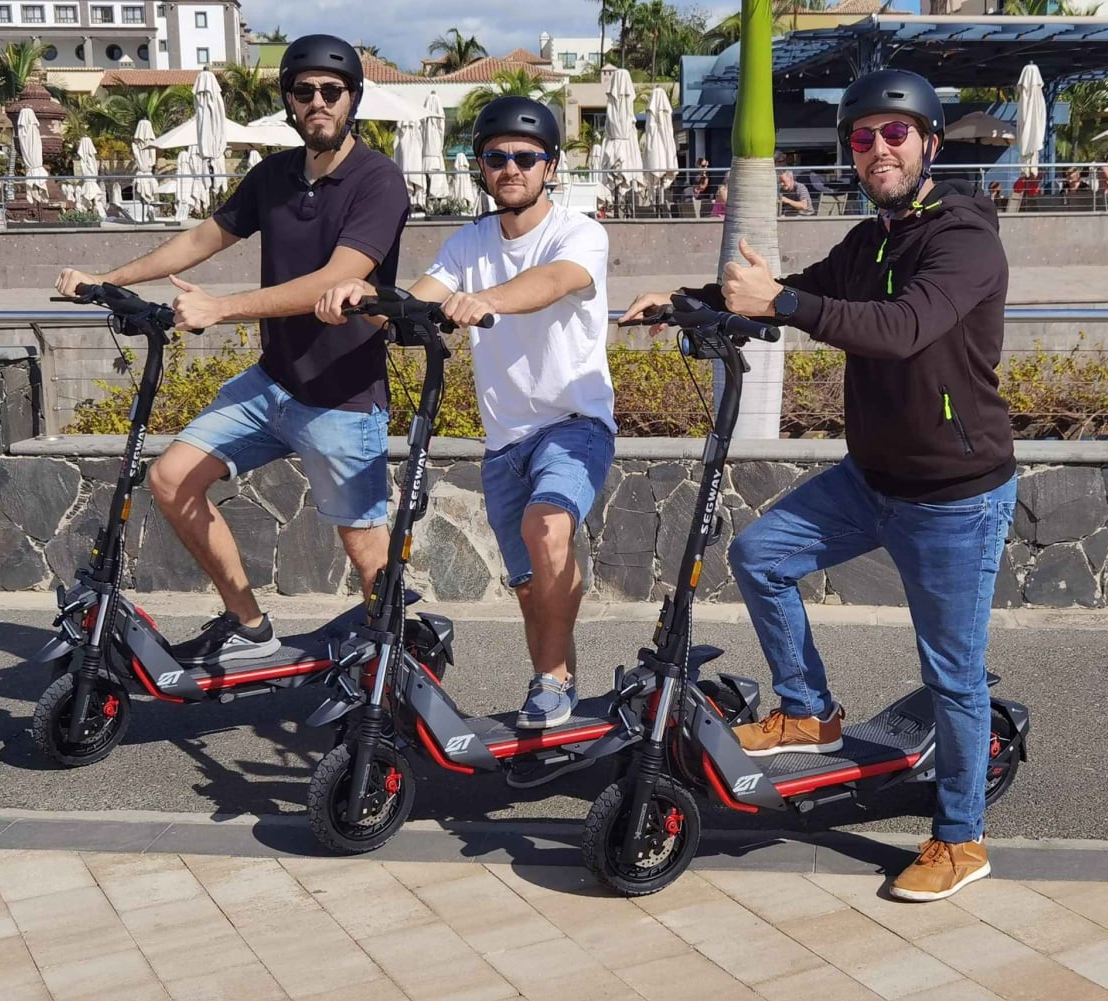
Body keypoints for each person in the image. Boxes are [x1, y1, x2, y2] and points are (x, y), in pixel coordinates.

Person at [622, 67, 1016, 904]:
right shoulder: (869, 240)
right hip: (871, 480)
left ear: (930, 143)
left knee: (953, 674)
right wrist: (686, 302)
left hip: (954, 495)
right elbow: (796, 297)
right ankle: (808, 707)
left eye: (895, 134)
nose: (878, 147)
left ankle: (961, 836)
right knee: (761, 552)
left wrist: (788, 301)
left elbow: (905, 328)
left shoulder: (964, 238)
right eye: (864, 136)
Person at [54, 34, 411, 665]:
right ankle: (250, 627)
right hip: (273, 382)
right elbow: (202, 239)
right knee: (170, 479)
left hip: (343, 394)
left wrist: (221, 308)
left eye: (332, 91)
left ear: (353, 99)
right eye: (305, 92)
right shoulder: (273, 175)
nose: (319, 102)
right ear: (290, 103)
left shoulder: (378, 181)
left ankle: (393, 669)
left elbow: (338, 277)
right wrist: (108, 279)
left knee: (364, 547)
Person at [315, 96, 615, 731]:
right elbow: (415, 297)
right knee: (531, 586)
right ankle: (553, 687)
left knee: (548, 528)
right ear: (481, 167)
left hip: (575, 423)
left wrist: (483, 300)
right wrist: (362, 298)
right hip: (505, 440)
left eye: (525, 158)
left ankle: (555, 679)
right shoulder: (468, 241)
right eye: (495, 157)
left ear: (550, 167)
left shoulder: (578, 231)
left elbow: (554, 282)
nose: (510, 167)